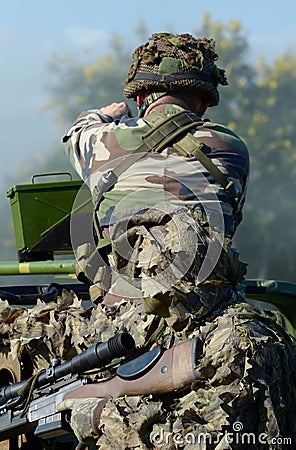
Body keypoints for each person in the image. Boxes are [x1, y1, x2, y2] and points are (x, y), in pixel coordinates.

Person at [58, 33, 296, 449]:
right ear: (203, 101)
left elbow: (77, 132)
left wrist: (106, 115)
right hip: (207, 316)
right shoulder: (230, 148)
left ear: (142, 93)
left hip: (119, 329)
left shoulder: (100, 143)